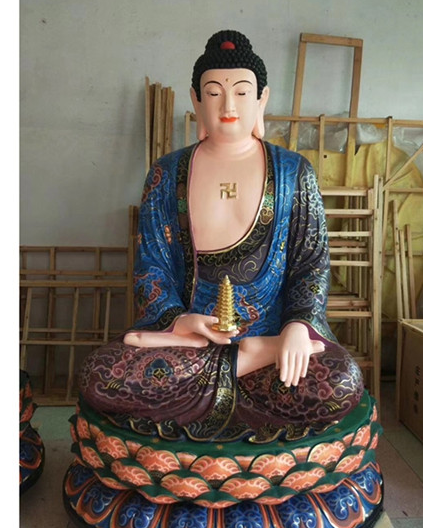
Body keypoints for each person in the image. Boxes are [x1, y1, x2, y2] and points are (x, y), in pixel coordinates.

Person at [78, 30, 364, 443]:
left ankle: (247, 358)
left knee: (339, 381)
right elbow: (151, 269)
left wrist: (299, 327)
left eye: (242, 93)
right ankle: (243, 361)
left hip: (275, 342)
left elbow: (311, 265)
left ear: (262, 100)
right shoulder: (166, 175)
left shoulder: (293, 173)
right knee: (102, 376)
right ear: (196, 101)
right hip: (189, 345)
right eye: (214, 93)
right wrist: (180, 320)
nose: (228, 106)